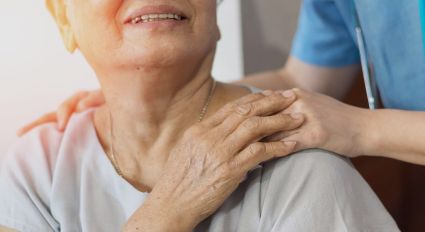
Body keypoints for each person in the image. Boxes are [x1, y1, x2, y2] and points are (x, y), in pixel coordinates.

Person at [0, 0, 400, 231]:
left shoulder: (299, 164)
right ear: (63, 20)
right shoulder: (35, 166)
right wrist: (165, 213)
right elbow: (300, 76)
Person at [20, 0, 425, 166]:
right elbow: (300, 78)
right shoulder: (39, 162)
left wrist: (362, 129)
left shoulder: (309, 177)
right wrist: (158, 104)